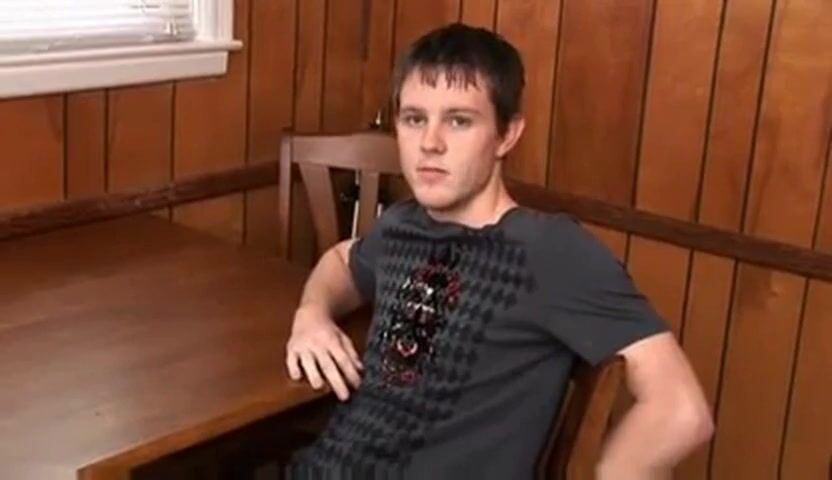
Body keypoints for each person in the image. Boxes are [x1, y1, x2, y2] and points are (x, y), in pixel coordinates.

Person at [284, 22, 713, 479]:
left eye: (459, 120)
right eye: (414, 119)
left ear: (507, 135)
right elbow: (342, 260)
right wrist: (312, 314)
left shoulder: (549, 250)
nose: (430, 143)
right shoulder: (401, 224)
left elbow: (681, 410)